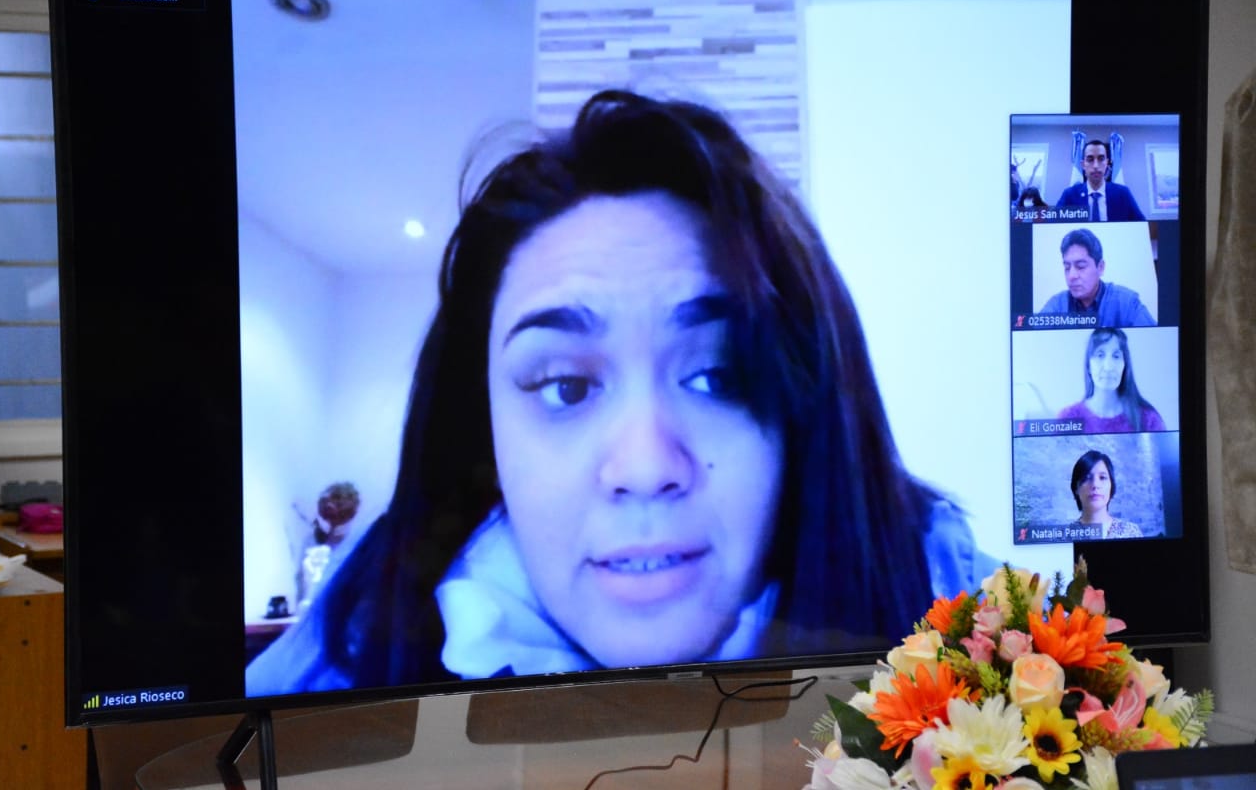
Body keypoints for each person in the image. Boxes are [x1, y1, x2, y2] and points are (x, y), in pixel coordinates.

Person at [246, 89, 993, 696]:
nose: (644, 467)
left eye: (719, 376)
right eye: (567, 387)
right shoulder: (354, 646)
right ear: (485, 437)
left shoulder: (978, 630)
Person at [1038, 228, 1157, 326]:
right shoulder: (1057, 305)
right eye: (1067, 267)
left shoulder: (1126, 303)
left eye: (1080, 266)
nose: (1071, 276)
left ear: (1100, 267)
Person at [1057, 328, 1166, 433]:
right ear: (1088, 366)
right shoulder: (1067, 419)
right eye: (1100, 355)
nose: (1108, 367)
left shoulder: (1148, 420)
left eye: (1116, 356)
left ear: (1125, 365)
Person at [1055, 139, 1146, 221]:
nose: (1096, 166)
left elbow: (1141, 225)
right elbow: (1053, 224)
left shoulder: (1123, 193)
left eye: (1101, 159)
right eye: (1090, 159)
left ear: (1107, 163)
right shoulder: (1070, 195)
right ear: (1083, 165)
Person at [1068, 450, 1142, 539]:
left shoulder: (1131, 532)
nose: (1095, 485)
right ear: (1076, 488)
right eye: (1087, 478)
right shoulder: (1065, 536)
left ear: (1111, 485)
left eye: (1102, 478)